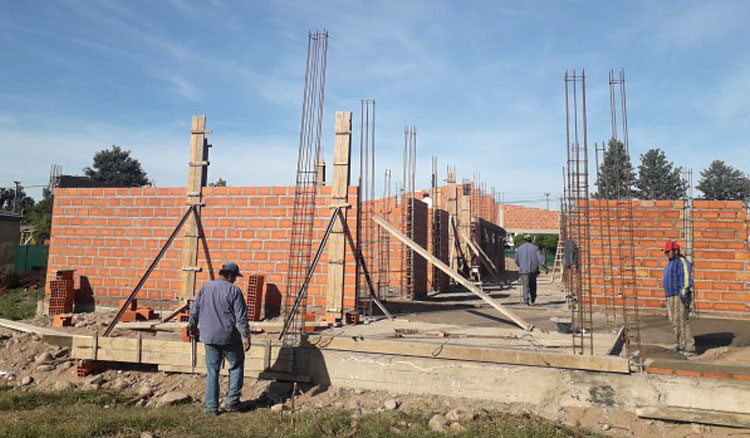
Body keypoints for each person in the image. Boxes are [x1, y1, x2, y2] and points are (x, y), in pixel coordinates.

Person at [188, 262, 251, 414]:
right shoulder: (234, 291)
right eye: (235, 277)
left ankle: (211, 408)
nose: (235, 280)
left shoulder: (205, 288)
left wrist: (192, 328)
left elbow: (194, 311)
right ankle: (232, 403)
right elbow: (240, 317)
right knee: (236, 367)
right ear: (229, 275)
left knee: (212, 371)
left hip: (209, 337)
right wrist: (245, 336)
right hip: (230, 338)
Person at [662, 241, 696, 356]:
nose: (666, 254)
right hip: (671, 296)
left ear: (676, 251)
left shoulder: (681, 262)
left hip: (680, 295)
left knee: (682, 320)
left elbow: (686, 276)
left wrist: (683, 290)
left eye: (668, 251)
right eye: (665, 252)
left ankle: (689, 347)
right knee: (674, 321)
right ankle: (681, 344)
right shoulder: (670, 263)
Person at [514, 234, 546, 305]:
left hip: (523, 270)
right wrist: (544, 267)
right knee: (533, 284)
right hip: (533, 270)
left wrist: (521, 265)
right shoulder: (535, 248)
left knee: (525, 285)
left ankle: (526, 300)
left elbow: (516, 260)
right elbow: (540, 259)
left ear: (524, 240)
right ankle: (533, 298)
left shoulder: (519, 248)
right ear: (530, 240)